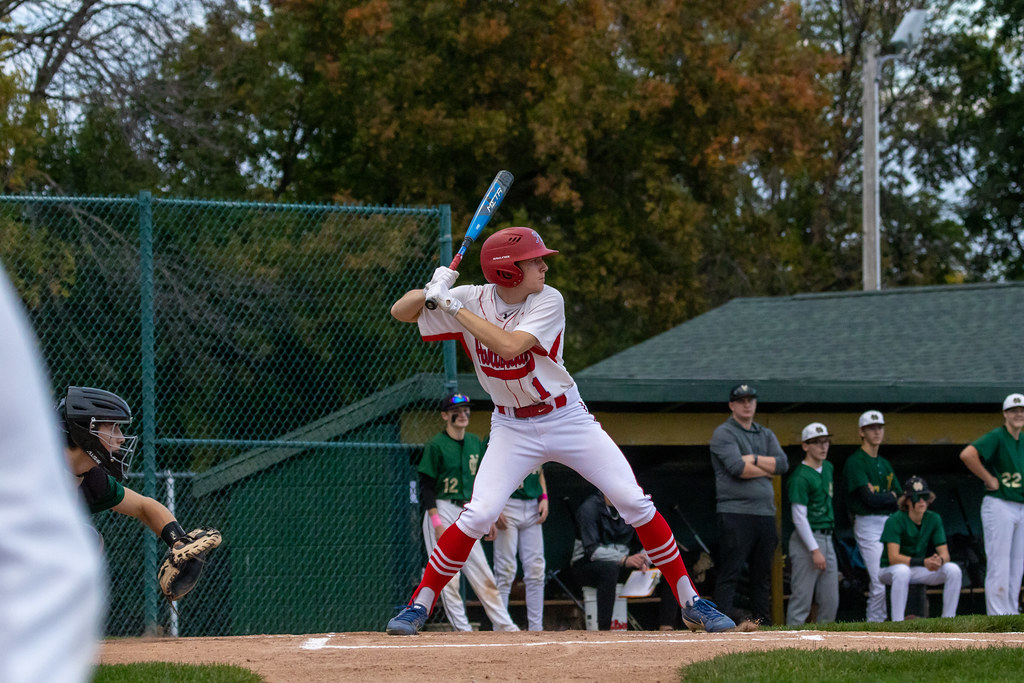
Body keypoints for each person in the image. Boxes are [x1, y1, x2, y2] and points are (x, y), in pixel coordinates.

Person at [386, 226, 734, 635]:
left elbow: (510, 346)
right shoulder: (468, 297)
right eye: (535, 260)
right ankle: (420, 605)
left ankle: (690, 600)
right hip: (511, 426)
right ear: (508, 271)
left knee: (633, 501)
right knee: (478, 514)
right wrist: (434, 286)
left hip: (565, 417)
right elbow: (401, 311)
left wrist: (452, 306)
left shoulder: (548, 300)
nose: (544, 265)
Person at [0, 267, 104, 683]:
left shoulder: (91, 476)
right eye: (109, 428)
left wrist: (173, 535)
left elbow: (142, 505)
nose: (117, 438)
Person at [59, 386, 214, 565]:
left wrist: (178, 541)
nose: (122, 438)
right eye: (112, 427)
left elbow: (143, 506)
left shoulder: (92, 480)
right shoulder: (38, 468)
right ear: (87, 430)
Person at [417, 393, 519, 632]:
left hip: (469, 510)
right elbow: (426, 486)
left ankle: (506, 626)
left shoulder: (475, 442)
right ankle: (462, 630)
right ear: (445, 415)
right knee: (449, 579)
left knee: (482, 571)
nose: (462, 414)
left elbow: (484, 482)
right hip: (441, 509)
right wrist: (436, 522)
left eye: (466, 410)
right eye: (456, 410)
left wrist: (489, 515)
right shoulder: (436, 445)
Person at [709, 383, 789, 625]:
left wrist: (753, 458)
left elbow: (783, 464)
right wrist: (765, 470)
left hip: (765, 514)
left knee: (762, 575)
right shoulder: (724, 433)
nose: (746, 404)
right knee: (730, 571)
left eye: (750, 400)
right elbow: (737, 468)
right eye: (741, 400)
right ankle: (719, 623)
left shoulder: (765, 434)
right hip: (735, 513)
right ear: (732, 405)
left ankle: (760, 625)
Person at [959, 392, 1024, 616]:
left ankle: (1012, 614)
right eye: (1014, 410)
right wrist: (988, 478)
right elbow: (968, 454)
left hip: (1020, 505)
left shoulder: (1022, 440)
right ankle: (998, 616)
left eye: (1022, 410)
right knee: (1000, 563)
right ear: (1005, 414)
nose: (1018, 414)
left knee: (1017, 565)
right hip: (999, 504)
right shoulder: (998, 436)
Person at [843, 409, 901, 622]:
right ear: (861, 432)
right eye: (871, 428)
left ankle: (895, 621)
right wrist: (889, 496)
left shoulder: (884, 463)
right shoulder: (856, 461)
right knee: (878, 579)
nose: (877, 431)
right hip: (867, 522)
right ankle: (875, 624)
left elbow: (901, 498)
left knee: (896, 574)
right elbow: (869, 500)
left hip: (889, 522)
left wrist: (884, 496)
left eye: (879, 427)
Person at [877, 476, 962, 621]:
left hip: (917, 569)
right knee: (902, 571)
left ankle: (949, 619)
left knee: (953, 570)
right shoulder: (895, 520)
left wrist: (938, 561)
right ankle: (897, 622)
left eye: (925, 497)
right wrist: (924, 562)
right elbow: (893, 558)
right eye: (917, 498)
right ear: (908, 501)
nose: (922, 501)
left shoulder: (933, 518)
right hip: (890, 570)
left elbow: (945, 554)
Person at [570, 490, 651, 630]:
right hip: (586, 564)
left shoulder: (633, 508)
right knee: (609, 569)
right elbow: (592, 550)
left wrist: (644, 560)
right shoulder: (589, 508)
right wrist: (624, 559)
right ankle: (604, 630)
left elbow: (645, 542)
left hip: (624, 563)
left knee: (664, 565)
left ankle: (666, 625)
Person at [785, 422, 839, 626]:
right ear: (805, 446)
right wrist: (815, 550)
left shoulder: (828, 468)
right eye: (816, 442)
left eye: (826, 441)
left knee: (830, 599)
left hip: (827, 537)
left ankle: (825, 644)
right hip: (807, 540)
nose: (823, 446)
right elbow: (799, 517)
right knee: (802, 598)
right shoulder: (800, 476)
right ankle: (791, 643)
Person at [492, 464, 548, 631]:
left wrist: (543, 496)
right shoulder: (501, 438)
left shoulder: (539, 437)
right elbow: (491, 473)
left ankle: (536, 629)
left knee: (536, 570)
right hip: (507, 503)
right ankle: (500, 627)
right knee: (505, 570)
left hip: (532, 505)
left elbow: (540, 472)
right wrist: (495, 505)